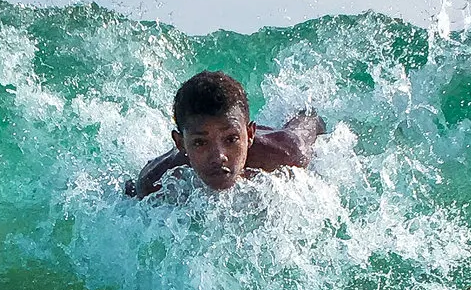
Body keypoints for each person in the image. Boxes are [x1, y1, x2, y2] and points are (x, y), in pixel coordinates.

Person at [124, 70, 323, 197]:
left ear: (250, 134)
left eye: (231, 139)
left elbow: (312, 120)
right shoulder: (154, 182)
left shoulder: (287, 153)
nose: (219, 156)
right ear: (180, 143)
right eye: (200, 143)